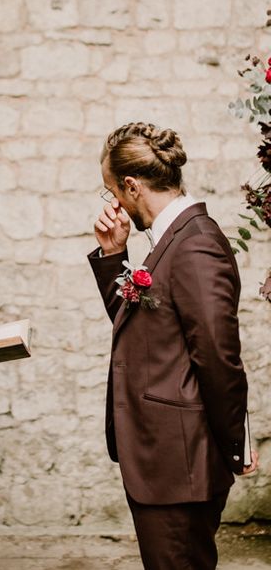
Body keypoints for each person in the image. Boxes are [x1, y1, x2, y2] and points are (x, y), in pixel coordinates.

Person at [88, 122, 259, 570]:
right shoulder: (171, 240)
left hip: (180, 466)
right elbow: (144, 334)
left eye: (112, 192)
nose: (116, 204)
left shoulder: (196, 245)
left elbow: (219, 357)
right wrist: (112, 257)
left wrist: (235, 444)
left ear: (131, 185)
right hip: (165, 464)